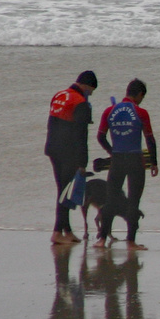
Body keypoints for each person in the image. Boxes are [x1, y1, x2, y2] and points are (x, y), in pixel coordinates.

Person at [93, 78, 158, 250]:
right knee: (133, 201)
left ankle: (101, 240)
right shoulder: (141, 112)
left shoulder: (109, 111)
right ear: (139, 94)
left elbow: (100, 137)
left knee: (110, 200)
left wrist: (111, 151)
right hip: (135, 160)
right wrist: (154, 162)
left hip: (117, 160)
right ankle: (131, 241)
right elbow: (150, 139)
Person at [45, 71, 97, 244]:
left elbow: (51, 123)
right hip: (68, 152)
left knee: (62, 189)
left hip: (53, 148)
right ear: (87, 86)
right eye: (91, 91)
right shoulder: (80, 102)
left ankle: (67, 230)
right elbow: (82, 135)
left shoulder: (59, 95)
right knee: (65, 192)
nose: (90, 94)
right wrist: (83, 162)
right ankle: (57, 232)